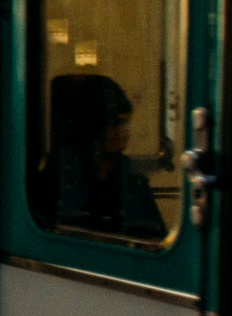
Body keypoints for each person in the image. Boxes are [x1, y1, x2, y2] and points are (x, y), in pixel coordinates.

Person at [36, 73, 169, 240]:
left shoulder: (133, 185)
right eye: (114, 122)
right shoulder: (57, 182)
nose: (123, 131)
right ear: (90, 127)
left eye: (126, 122)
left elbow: (153, 238)